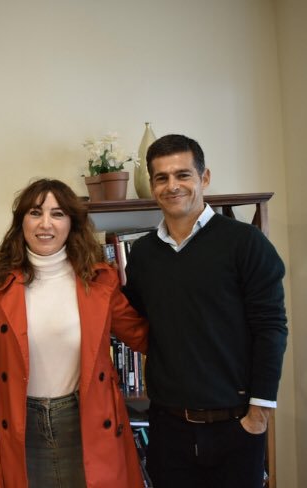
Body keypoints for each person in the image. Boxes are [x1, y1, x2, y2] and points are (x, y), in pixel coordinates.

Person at [122, 134, 288, 488]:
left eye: (183, 174)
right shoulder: (143, 254)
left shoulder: (245, 242)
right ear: (152, 185)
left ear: (204, 177)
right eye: (162, 178)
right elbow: (132, 319)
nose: (172, 186)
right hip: (168, 429)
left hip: (236, 425)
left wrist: (259, 413)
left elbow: (271, 327)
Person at [0, 178, 148, 487]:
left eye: (57, 214)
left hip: (84, 419)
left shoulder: (101, 280)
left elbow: (141, 336)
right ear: (21, 222)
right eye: (35, 213)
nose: (45, 224)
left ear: (71, 223)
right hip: (21, 422)